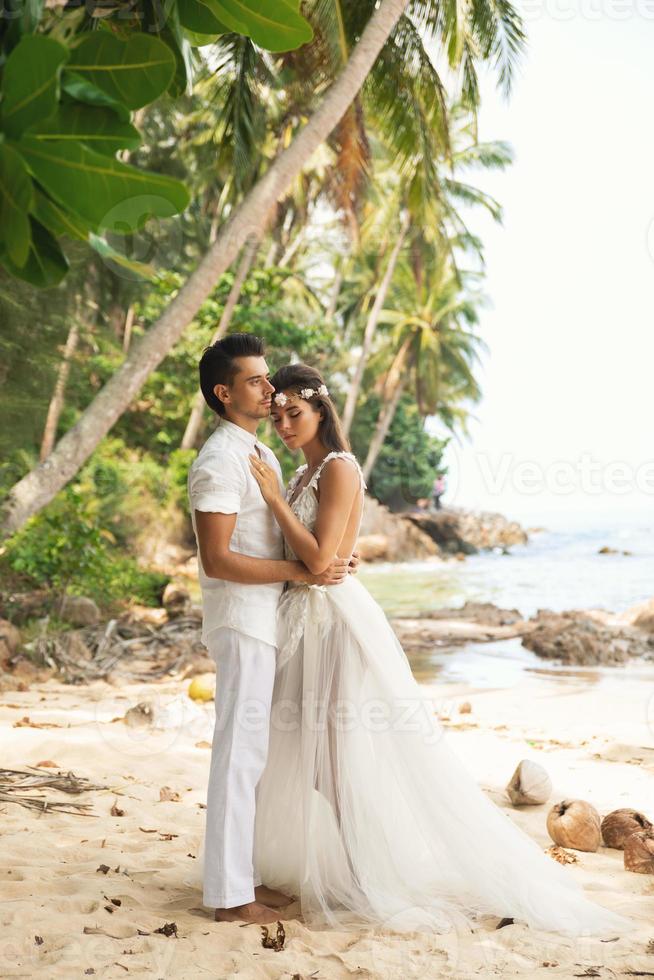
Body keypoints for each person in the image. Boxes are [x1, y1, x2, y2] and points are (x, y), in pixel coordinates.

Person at [247, 361, 638, 939]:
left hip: (333, 623)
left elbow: (320, 558)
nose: (283, 423)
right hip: (301, 619)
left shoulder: (337, 468)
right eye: (276, 414)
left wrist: (277, 503)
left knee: (332, 756)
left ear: (321, 410)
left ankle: (356, 875)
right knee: (300, 752)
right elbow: (313, 560)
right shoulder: (303, 475)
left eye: (294, 412)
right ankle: (324, 868)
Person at [187, 334, 357, 925]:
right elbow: (217, 559)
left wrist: (329, 563)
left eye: (269, 380)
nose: (269, 389)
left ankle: (243, 881)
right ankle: (231, 900)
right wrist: (306, 572)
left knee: (254, 755)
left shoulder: (259, 455)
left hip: (270, 620)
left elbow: (293, 536)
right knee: (240, 754)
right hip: (242, 621)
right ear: (224, 392)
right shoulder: (218, 460)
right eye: (257, 381)